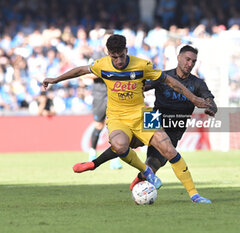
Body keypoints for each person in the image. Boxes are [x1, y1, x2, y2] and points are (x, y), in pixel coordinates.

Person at [42, 34, 213, 203]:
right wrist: (56, 80)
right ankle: (145, 171)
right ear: (108, 54)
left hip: (143, 113)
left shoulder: (142, 65)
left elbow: (170, 81)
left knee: (169, 149)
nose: (118, 61)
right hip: (117, 117)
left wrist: (193, 98)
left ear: (126, 50)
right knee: (119, 146)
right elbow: (80, 70)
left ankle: (194, 195)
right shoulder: (102, 65)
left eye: (121, 56)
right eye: (114, 57)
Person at [86, 45, 217, 191]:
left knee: (154, 163)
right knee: (124, 143)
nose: (190, 64)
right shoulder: (163, 76)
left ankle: (141, 178)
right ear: (178, 58)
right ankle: (95, 162)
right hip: (153, 119)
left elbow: (210, 100)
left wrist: (211, 107)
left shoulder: (197, 83)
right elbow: (144, 85)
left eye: (193, 61)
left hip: (174, 127)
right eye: (187, 59)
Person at [88, 75, 123, 169]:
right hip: (99, 96)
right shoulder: (95, 60)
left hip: (113, 95)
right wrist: (102, 72)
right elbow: (85, 75)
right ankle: (92, 153)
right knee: (98, 126)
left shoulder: (116, 60)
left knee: (114, 125)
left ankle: (114, 159)